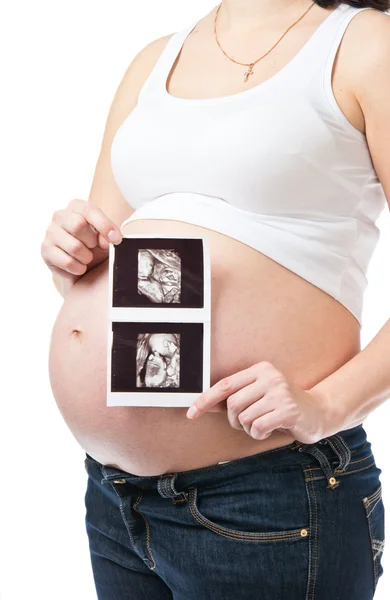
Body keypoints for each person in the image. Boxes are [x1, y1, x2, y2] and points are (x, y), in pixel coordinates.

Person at [41, 1, 390, 598]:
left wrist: (328, 405)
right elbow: (99, 261)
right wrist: (71, 254)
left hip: (268, 494)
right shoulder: (155, 58)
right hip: (115, 497)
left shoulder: (366, 46)